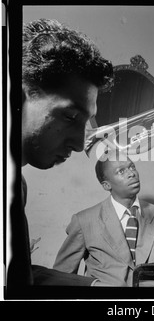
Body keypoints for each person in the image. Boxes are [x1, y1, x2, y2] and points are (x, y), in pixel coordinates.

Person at [7, 18, 114, 292]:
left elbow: (15, 281)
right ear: (16, 98)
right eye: (69, 116)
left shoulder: (15, 183)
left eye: (85, 122)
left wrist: (94, 287)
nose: (80, 145)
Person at [53, 150, 154, 286]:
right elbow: (61, 277)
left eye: (132, 166)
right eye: (121, 171)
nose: (131, 174)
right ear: (106, 185)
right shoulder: (84, 221)